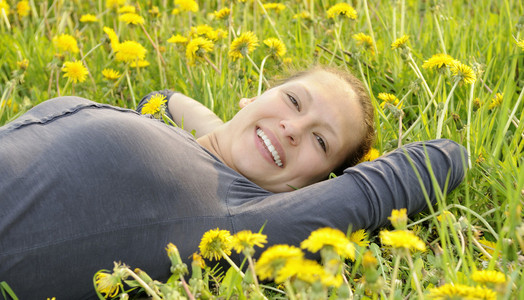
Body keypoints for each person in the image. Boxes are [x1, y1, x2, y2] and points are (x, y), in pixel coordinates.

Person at [0, 66, 467, 299]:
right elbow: (161, 98)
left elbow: (445, 158)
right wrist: (225, 131)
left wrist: (250, 130)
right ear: (256, 93)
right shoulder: (180, 141)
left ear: (316, 186)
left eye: (320, 143)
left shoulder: (244, 219)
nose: (292, 128)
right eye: (293, 101)